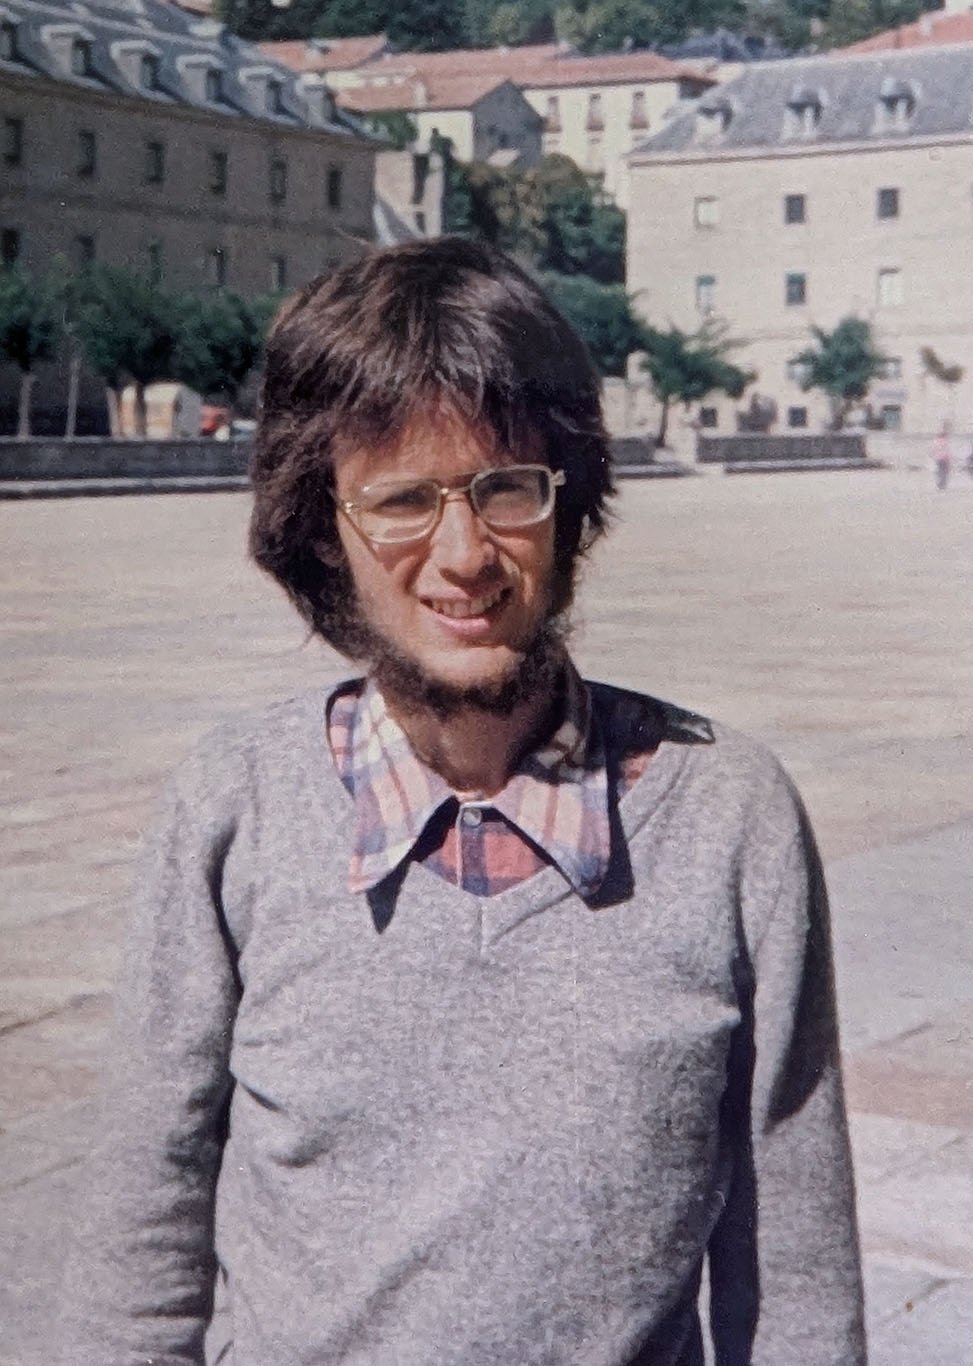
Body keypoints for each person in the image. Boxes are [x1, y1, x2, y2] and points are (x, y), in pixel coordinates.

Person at [59, 238, 866, 1365]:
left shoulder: (730, 817)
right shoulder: (230, 808)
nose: (462, 557)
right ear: (319, 529)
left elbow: (796, 1278)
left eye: (505, 488)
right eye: (399, 499)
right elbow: (138, 1249)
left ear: (568, 498)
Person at [933, 424, 952, 490]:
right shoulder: (945, 442)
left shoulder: (936, 441)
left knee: (939, 472)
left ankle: (939, 484)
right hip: (944, 458)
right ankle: (942, 485)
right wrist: (948, 458)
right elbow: (946, 451)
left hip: (938, 458)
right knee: (944, 472)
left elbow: (934, 450)